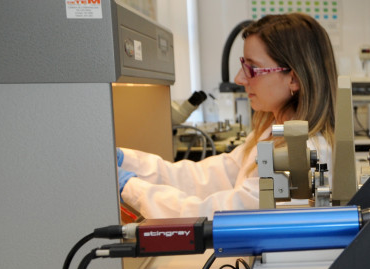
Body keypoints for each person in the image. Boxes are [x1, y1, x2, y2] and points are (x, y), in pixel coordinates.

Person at [117, 13, 338, 219]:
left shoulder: (301, 155)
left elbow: (217, 214)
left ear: (294, 79)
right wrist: (125, 161)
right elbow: (201, 178)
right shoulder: (272, 135)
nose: (239, 78)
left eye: (252, 68)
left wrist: (130, 187)